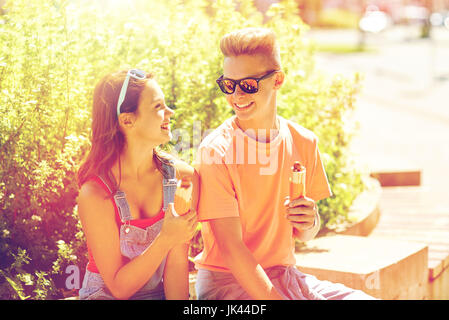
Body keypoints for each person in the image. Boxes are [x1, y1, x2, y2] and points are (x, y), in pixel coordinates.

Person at [194, 28, 375, 300]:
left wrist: (309, 219)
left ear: (277, 80)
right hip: (227, 284)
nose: (237, 96)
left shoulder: (304, 141)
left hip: (286, 276)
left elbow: (306, 234)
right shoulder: (215, 151)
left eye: (248, 85)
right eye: (228, 85)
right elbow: (231, 249)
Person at [76, 69, 198, 300]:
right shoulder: (96, 193)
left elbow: (176, 267)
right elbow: (119, 288)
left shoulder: (183, 178)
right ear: (127, 120)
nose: (170, 112)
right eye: (158, 107)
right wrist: (166, 238)